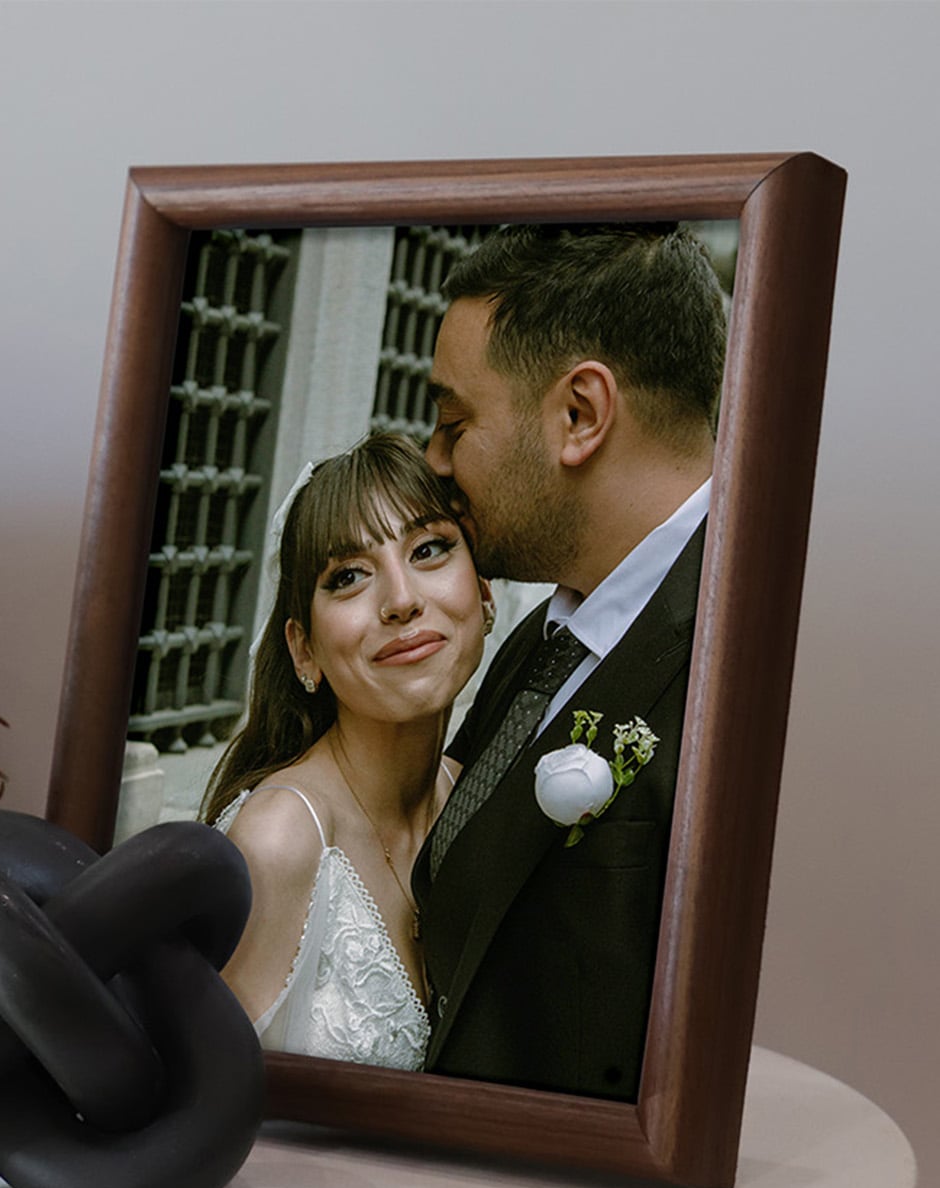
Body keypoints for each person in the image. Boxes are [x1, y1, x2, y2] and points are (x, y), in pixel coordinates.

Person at [414, 222, 727, 1101]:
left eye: (452, 421)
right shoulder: (539, 638)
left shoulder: (741, 658)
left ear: (580, 416)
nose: (434, 460)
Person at [203, 432, 491, 1069]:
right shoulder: (280, 839)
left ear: (485, 595)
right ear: (303, 649)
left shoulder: (472, 799)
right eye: (350, 576)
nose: (402, 600)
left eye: (429, 549)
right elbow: (201, 1101)